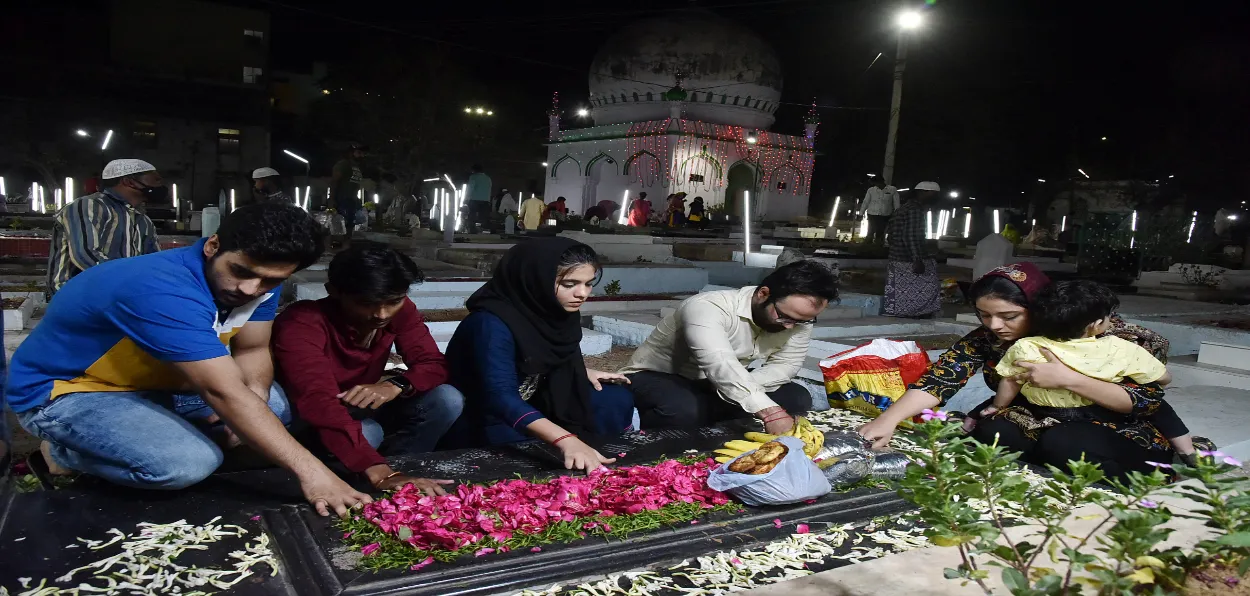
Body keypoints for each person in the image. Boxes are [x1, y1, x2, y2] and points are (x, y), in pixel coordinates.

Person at [8, 203, 372, 516]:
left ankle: (156, 435)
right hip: (71, 392)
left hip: (159, 384)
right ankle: (62, 453)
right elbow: (224, 392)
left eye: (268, 280)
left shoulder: (263, 280)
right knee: (186, 464)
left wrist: (256, 394)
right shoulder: (160, 288)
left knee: (271, 404)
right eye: (241, 271)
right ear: (213, 245)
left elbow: (252, 350)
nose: (249, 290)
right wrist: (316, 475)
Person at [858, 263, 1191, 481]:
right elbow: (941, 378)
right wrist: (887, 420)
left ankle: (1153, 474)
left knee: (1066, 445)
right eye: (984, 316)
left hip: (1111, 426)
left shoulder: (1104, 337)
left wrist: (1069, 379)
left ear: (1041, 308)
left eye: (1008, 316)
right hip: (1035, 418)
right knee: (992, 435)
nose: (995, 326)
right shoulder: (988, 339)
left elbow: (1147, 402)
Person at [272, 244, 465, 495]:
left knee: (447, 399)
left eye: (394, 301)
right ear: (334, 292)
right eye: (367, 303)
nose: (381, 314)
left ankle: (399, 470)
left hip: (359, 409)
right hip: (312, 416)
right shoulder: (303, 321)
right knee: (369, 433)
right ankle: (372, 471)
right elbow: (317, 400)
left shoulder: (401, 311)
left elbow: (433, 363)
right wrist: (374, 468)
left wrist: (395, 384)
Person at [444, 238, 635, 472]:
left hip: (532, 400)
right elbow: (500, 397)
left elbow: (544, 358)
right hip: (485, 415)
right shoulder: (490, 324)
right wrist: (564, 440)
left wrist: (579, 371)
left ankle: (607, 460)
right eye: (569, 284)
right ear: (535, 280)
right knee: (530, 454)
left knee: (613, 399)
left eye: (588, 283)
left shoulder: (552, 311)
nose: (582, 293)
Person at [986, 279, 1199, 463]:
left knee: (1151, 402)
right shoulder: (1119, 348)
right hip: (1097, 412)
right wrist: (1163, 376)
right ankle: (1187, 450)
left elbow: (1010, 381)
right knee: (1161, 407)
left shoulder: (1026, 346)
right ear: (1096, 324)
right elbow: (1162, 379)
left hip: (1047, 412)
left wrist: (997, 406)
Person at [623, 261, 839, 434]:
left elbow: (786, 365)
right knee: (683, 409)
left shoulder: (799, 320)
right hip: (661, 377)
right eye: (784, 317)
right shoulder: (708, 306)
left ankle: (719, 419)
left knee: (796, 396)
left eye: (802, 321)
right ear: (763, 294)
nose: (791, 327)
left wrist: (737, 389)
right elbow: (720, 363)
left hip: (717, 382)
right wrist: (769, 412)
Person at [47, 159, 162, 299]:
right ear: (129, 182)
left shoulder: (144, 221)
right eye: (155, 180)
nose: (160, 185)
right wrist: (129, 283)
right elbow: (86, 255)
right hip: (75, 300)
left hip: (118, 300)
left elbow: (153, 261)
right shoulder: (87, 206)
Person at [883, 181, 941, 318]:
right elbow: (911, 236)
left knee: (902, 290)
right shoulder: (915, 210)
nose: (935, 197)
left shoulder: (902, 208)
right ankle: (918, 312)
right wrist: (917, 259)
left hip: (896, 257)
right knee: (930, 283)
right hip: (907, 259)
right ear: (923, 192)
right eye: (933, 194)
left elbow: (890, 235)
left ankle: (903, 311)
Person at [331, 143, 366, 241]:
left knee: (350, 225)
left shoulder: (357, 167)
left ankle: (346, 245)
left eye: (363, 154)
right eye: (359, 153)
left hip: (352, 200)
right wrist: (332, 199)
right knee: (341, 226)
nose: (361, 156)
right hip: (342, 199)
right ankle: (338, 247)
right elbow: (334, 181)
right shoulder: (343, 164)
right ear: (351, 153)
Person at [861, 177, 898, 244]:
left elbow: (896, 203)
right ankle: (867, 246)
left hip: (885, 215)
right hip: (872, 214)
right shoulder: (871, 190)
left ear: (882, 182)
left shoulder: (892, 189)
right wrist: (861, 213)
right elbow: (866, 202)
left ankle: (878, 246)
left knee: (880, 231)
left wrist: (897, 214)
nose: (876, 185)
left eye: (877, 183)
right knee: (870, 231)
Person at [466, 164, 492, 229]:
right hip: (486, 200)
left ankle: (472, 229)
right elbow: (489, 188)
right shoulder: (488, 178)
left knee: (472, 214)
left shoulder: (473, 177)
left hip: (474, 199)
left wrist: (466, 198)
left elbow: (470, 188)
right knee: (483, 216)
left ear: (474, 170)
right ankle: (485, 229)